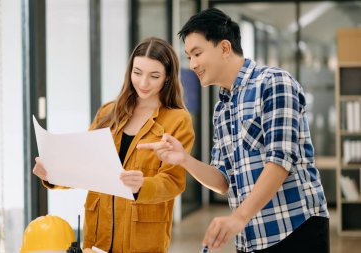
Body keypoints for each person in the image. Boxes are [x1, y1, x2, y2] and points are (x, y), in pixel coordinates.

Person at [138, 8, 329, 253]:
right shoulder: (221, 109)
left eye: (197, 53)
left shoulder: (274, 83)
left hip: (296, 231)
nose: (193, 64)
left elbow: (280, 161)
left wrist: (238, 218)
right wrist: (184, 160)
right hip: (250, 240)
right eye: (188, 56)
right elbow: (223, 181)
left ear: (225, 48)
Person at [33, 37, 195, 253]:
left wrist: (141, 186)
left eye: (154, 76)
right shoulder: (109, 112)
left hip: (142, 240)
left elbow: (173, 181)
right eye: (137, 73)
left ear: (167, 77)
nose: (144, 83)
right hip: (98, 235)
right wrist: (52, 174)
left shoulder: (177, 120)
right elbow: (85, 164)